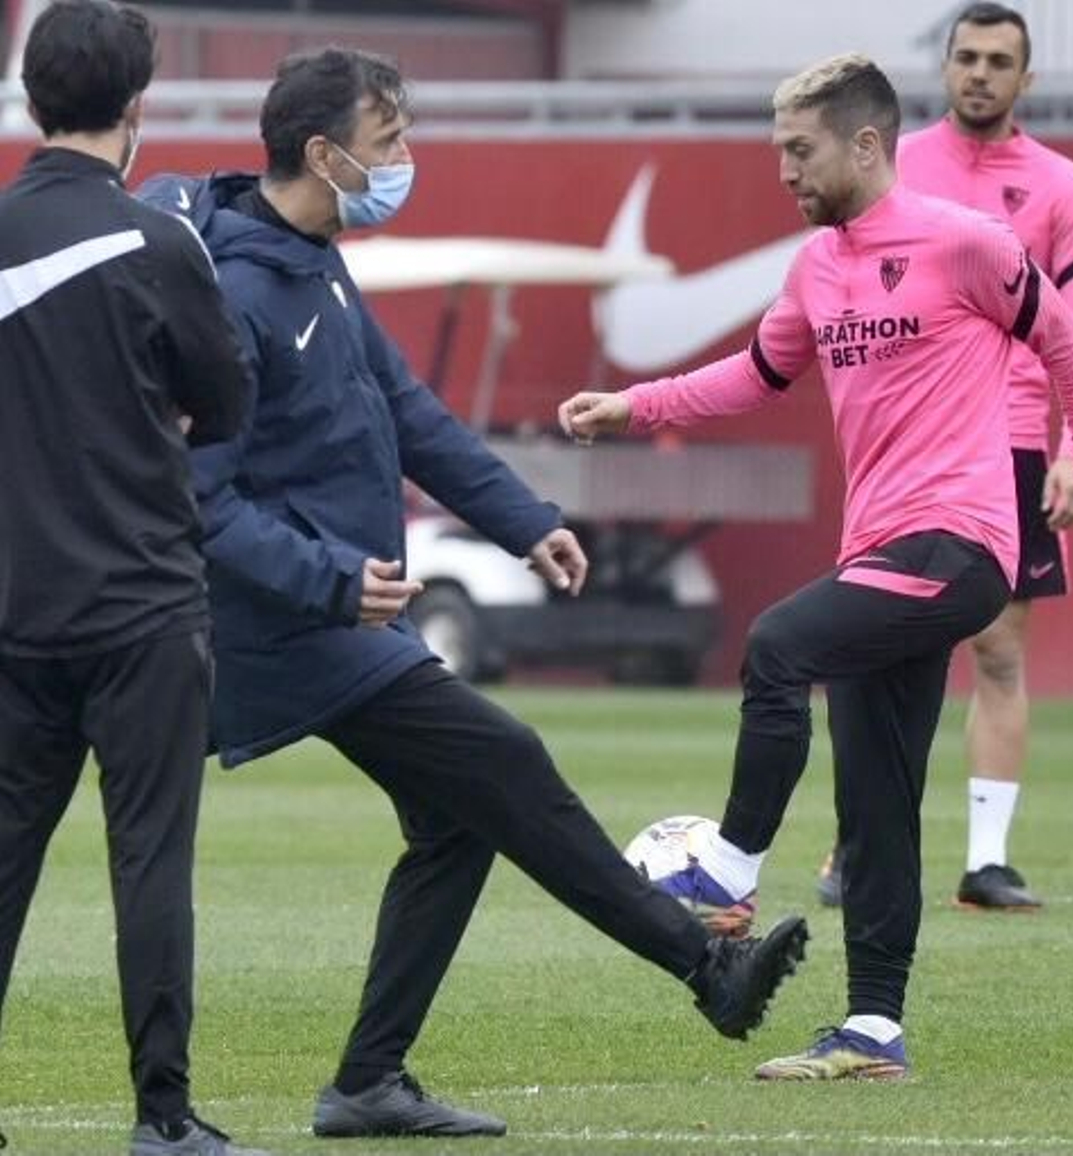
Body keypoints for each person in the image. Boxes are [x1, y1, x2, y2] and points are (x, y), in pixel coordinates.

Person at [136, 46, 808, 1138]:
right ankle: (705, 966)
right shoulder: (242, 292)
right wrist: (331, 578)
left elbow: (407, 413)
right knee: (504, 760)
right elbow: (200, 502)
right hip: (294, 627)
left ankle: (367, 1083)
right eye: (389, 140)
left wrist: (526, 520)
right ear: (324, 153)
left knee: (458, 824)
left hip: (348, 615)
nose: (405, 160)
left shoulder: (316, 258)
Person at [559, 53, 1073, 1081]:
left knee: (777, 642)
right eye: (778, 147)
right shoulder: (816, 266)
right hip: (878, 548)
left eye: (798, 148)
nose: (783, 169)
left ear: (866, 145)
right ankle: (873, 1029)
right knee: (874, 801)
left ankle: (726, 866)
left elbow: (1067, 344)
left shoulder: (967, 244)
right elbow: (758, 373)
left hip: (961, 544)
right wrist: (633, 406)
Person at [0, 3, 265, 1154]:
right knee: (150, 863)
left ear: (30, 100)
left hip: (13, 612)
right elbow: (232, 404)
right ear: (136, 106)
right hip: (146, 609)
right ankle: (163, 1118)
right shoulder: (163, 243)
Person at [817, 2, 1073, 913]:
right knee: (876, 648)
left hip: (1014, 439)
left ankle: (987, 861)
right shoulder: (896, 166)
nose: (981, 73)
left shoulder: (1062, 187)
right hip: (907, 442)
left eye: (999, 61)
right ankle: (853, 845)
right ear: (943, 69)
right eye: (967, 57)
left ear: (1028, 80)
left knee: (999, 647)